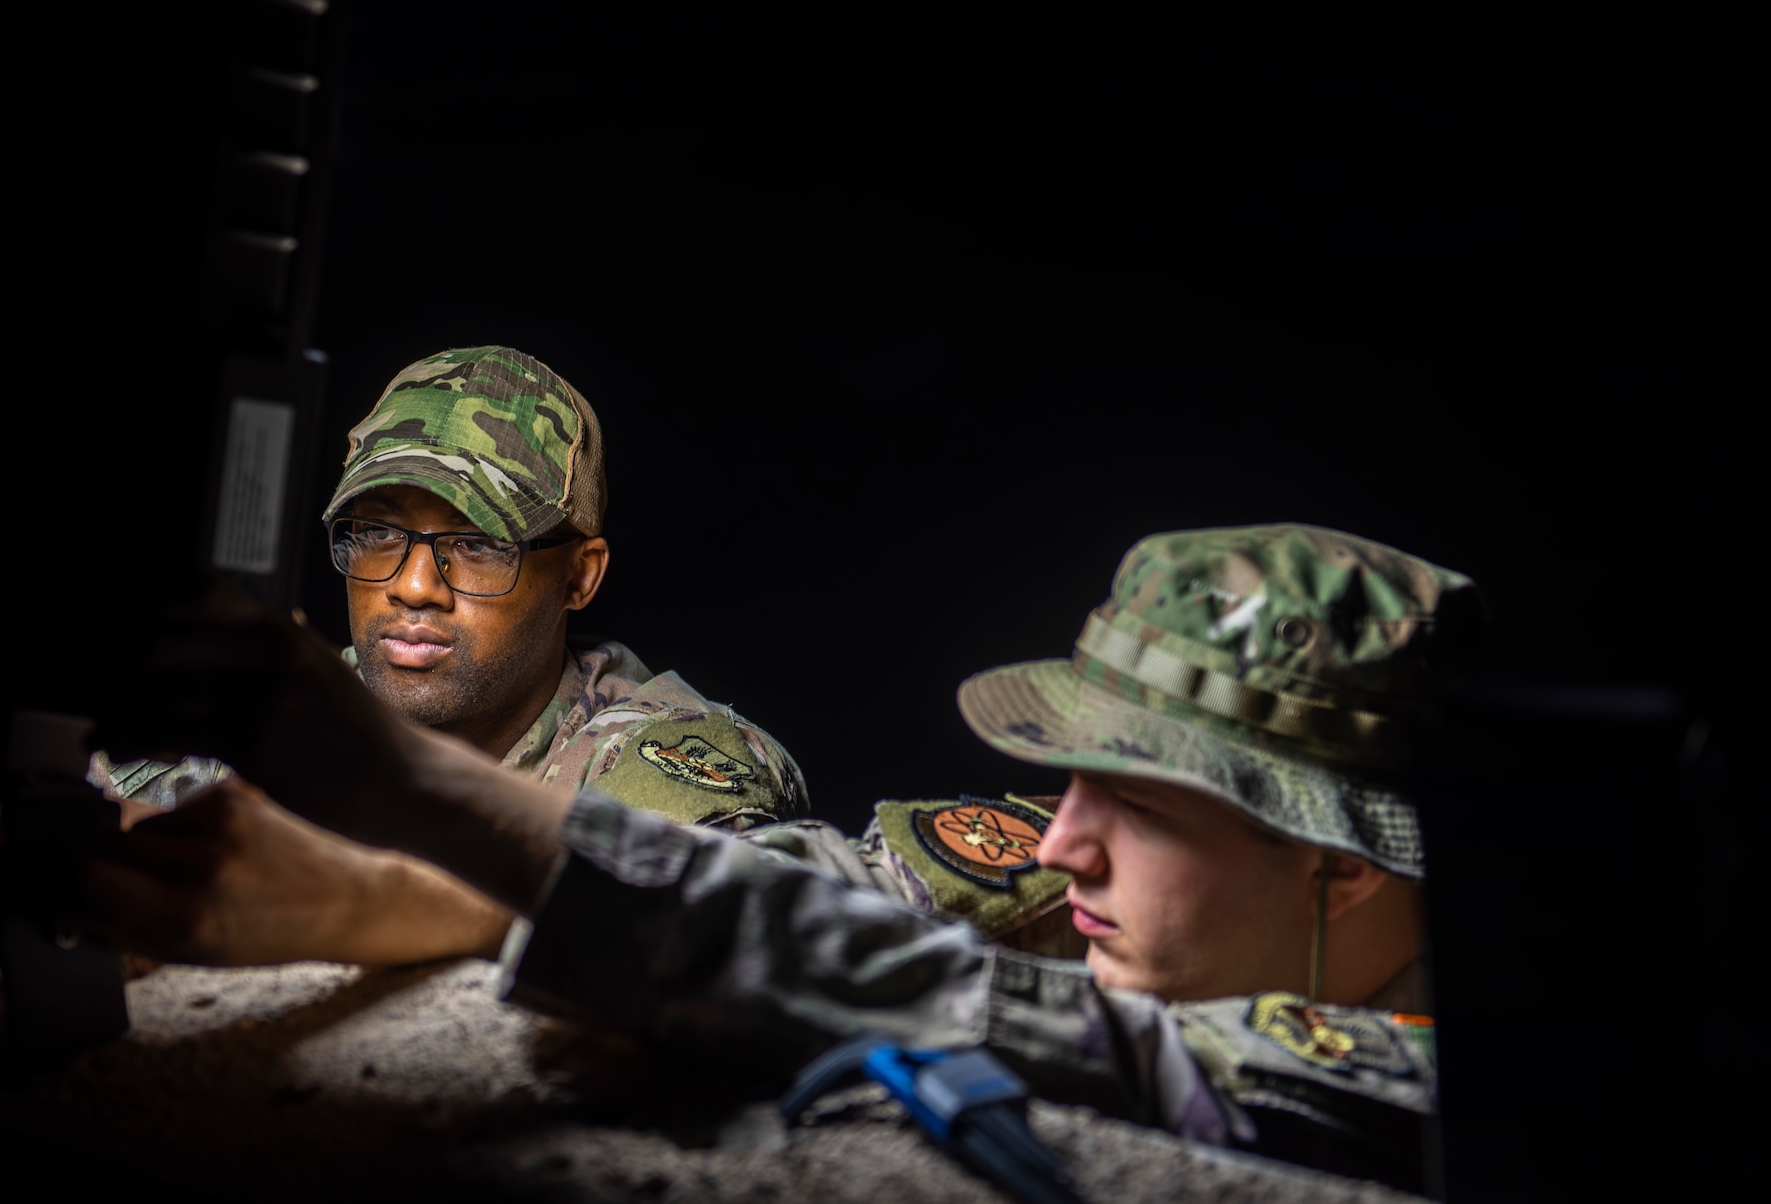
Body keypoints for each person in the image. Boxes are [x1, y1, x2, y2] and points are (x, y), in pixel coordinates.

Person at [85, 524, 1479, 1188]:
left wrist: (405, 788)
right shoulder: (1118, 882)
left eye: (1149, 811)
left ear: (1342, 860)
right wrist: (411, 892)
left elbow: (984, 1012)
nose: (1065, 843)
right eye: (1068, 782)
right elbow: (826, 892)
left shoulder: (1489, 1074)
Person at [95, 343, 804, 964]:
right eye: (377, 530)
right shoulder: (282, 703)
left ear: (580, 576)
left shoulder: (655, 750)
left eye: (478, 544)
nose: (412, 585)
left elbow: (735, 921)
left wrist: (361, 898)